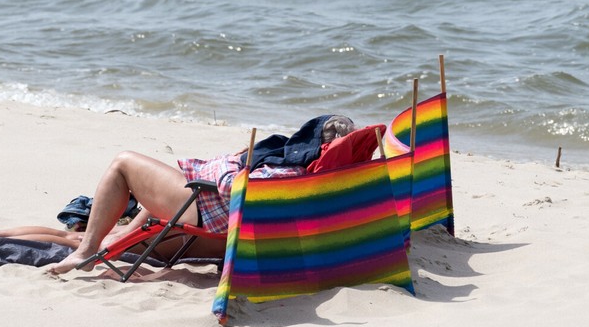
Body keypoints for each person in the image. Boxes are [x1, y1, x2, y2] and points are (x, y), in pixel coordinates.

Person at [45, 114, 358, 276]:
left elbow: (236, 190)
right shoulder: (325, 180)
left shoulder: (287, 173)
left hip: (201, 206)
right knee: (114, 233)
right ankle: (3, 234)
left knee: (123, 163)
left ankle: (86, 252)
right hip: (203, 205)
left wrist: (229, 168)